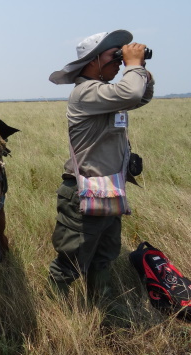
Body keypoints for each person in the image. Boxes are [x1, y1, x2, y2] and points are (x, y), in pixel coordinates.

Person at [47, 29, 155, 324]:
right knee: (69, 264)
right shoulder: (86, 92)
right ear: (93, 61)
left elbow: (141, 96)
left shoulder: (106, 95)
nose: (120, 61)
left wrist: (139, 66)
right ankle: (56, 319)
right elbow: (131, 91)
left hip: (109, 190)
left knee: (104, 258)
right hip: (83, 193)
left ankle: (103, 311)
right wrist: (133, 66)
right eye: (114, 56)